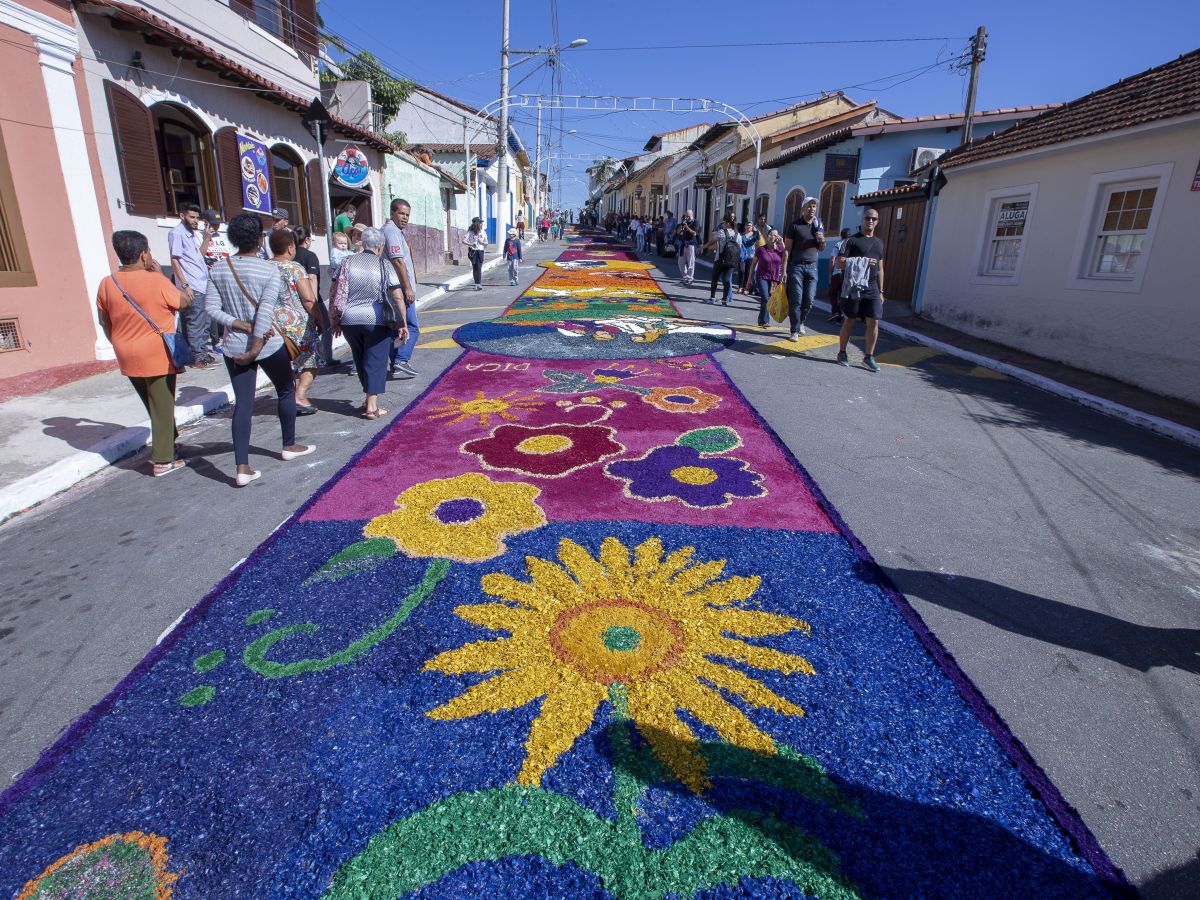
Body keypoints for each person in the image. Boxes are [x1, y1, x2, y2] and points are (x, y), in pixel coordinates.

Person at [206, 213, 315, 487]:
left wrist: (237, 324)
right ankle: (288, 445)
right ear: (259, 239)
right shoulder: (268, 270)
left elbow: (211, 309)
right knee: (286, 389)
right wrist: (255, 345)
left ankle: (242, 467)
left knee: (243, 404)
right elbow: (266, 310)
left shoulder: (219, 268)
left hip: (233, 346)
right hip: (267, 344)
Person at [97, 230, 188, 477]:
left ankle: (169, 443)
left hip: (126, 351)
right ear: (142, 254)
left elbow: (105, 321)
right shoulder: (155, 280)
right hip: (156, 351)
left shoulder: (108, 282)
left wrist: (117, 342)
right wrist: (164, 277)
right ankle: (162, 460)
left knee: (153, 403)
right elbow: (184, 301)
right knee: (162, 404)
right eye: (148, 251)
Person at [330, 227, 409, 419]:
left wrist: (335, 320)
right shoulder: (384, 265)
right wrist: (403, 323)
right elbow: (397, 296)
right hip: (376, 320)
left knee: (360, 359)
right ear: (380, 246)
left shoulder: (347, 262)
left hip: (349, 320)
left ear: (363, 243)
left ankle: (367, 400)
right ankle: (372, 407)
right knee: (376, 361)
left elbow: (335, 291)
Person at [268, 229, 321, 414]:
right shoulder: (295, 268)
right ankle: (299, 395)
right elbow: (308, 299)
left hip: (272, 325)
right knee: (311, 361)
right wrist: (320, 318)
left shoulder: (264, 267)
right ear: (290, 247)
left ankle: (289, 396)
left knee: (283, 364)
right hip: (297, 325)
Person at [835, 208, 886, 372]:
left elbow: (880, 269)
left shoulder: (879, 243)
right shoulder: (851, 241)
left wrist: (881, 291)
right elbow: (840, 262)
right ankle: (842, 353)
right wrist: (862, 261)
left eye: (873, 218)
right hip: (854, 286)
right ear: (862, 220)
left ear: (877, 221)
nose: (870, 221)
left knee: (874, 321)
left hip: (872, 288)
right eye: (867, 218)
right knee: (850, 319)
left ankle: (868, 357)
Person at [167, 202, 215, 368]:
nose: (196, 221)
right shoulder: (177, 233)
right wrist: (185, 285)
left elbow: (199, 257)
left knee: (204, 321)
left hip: (202, 282)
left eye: (197, 218)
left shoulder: (192, 234)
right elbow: (175, 260)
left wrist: (207, 238)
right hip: (192, 284)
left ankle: (201, 352)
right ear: (182, 216)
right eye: (192, 217)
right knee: (195, 321)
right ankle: (196, 357)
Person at [382, 198, 421, 379]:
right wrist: (408, 288)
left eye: (407, 215)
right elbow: (398, 261)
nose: (405, 218)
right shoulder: (392, 232)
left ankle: (396, 363)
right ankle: (401, 360)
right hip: (399, 290)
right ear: (392, 213)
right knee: (412, 327)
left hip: (394, 288)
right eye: (401, 213)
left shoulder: (395, 231)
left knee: (396, 329)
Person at [782, 196, 824, 339]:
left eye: (814, 206)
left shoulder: (818, 226)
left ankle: (801, 322)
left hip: (812, 267)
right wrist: (784, 270)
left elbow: (821, 249)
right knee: (796, 299)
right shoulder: (794, 225)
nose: (812, 209)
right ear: (803, 208)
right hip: (796, 267)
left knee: (809, 300)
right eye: (809, 206)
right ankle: (794, 330)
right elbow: (787, 249)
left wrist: (821, 239)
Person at [293, 226, 333, 370]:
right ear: (308, 239)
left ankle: (300, 360)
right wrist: (315, 305)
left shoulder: (290, 255)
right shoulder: (310, 256)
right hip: (311, 298)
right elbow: (312, 279)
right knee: (326, 326)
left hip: (294, 301)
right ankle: (325, 357)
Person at [746, 228, 785, 327]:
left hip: (774, 279)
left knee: (770, 299)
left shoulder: (780, 250)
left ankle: (761, 319)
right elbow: (753, 264)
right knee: (765, 297)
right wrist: (750, 278)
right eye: (771, 235)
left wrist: (782, 243)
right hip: (762, 277)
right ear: (767, 236)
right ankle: (764, 321)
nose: (773, 237)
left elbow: (787, 256)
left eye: (775, 235)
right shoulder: (761, 249)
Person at [702, 216, 739, 305]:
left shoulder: (721, 232)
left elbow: (712, 241)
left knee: (715, 278)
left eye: (724, 223)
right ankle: (724, 300)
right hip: (732, 261)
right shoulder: (737, 234)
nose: (723, 224)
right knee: (727, 280)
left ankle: (712, 298)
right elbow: (739, 247)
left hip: (720, 259)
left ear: (728, 223)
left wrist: (703, 247)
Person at [828, 227, 852, 323]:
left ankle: (836, 312)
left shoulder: (838, 244)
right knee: (843, 294)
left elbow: (832, 259)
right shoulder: (852, 245)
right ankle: (841, 312)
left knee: (832, 293)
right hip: (848, 274)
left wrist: (830, 274)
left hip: (837, 272)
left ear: (841, 236)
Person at [675, 210, 699, 285]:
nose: (687, 218)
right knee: (680, 262)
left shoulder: (695, 222)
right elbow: (678, 232)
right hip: (683, 244)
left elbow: (694, 233)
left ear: (692, 215)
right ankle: (685, 276)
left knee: (691, 261)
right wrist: (682, 225)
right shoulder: (683, 223)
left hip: (691, 243)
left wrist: (687, 227)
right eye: (686, 216)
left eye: (688, 216)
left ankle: (690, 277)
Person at [463, 217, 487, 290]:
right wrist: (471, 244)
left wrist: (482, 242)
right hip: (472, 251)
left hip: (480, 251)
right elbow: (463, 241)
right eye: (480, 223)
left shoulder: (483, 232)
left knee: (479, 267)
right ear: (476, 224)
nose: (481, 224)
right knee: (475, 268)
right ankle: (477, 284)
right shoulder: (470, 232)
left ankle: (478, 284)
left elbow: (486, 242)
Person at [738, 221, 758, 294]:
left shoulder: (754, 235)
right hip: (742, 255)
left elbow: (758, 237)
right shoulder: (741, 235)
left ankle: (746, 288)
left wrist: (756, 230)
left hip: (751, 256)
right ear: (745, 226)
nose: (749, 227)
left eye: (750, 225)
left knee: (748, 272)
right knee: (742, 270)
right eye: (748, 225)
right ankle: (740, 286)